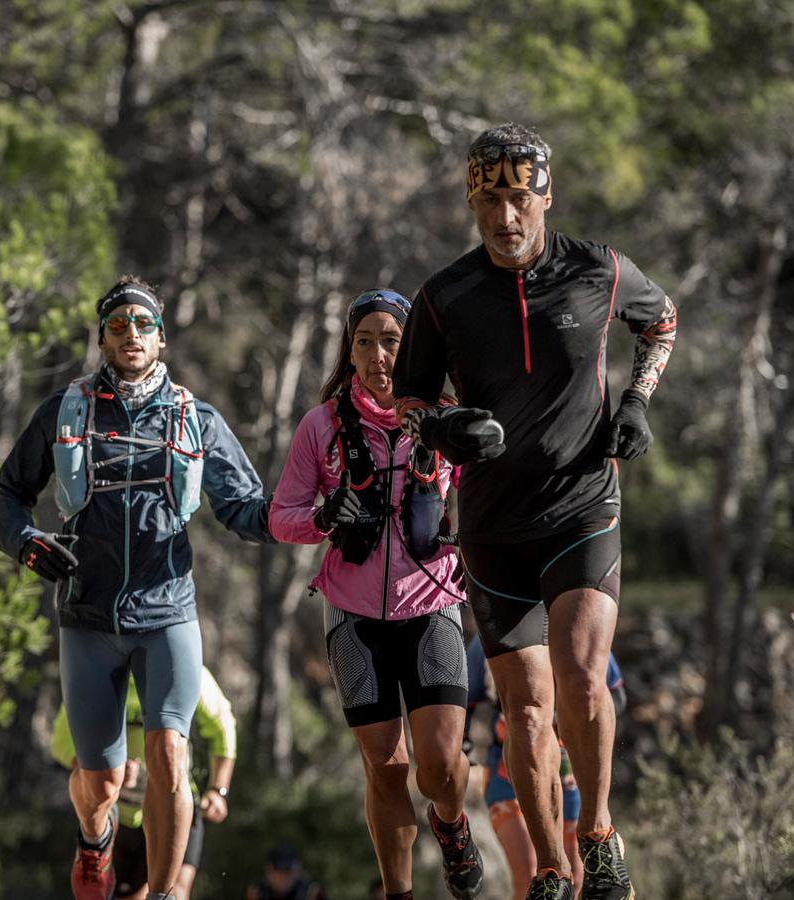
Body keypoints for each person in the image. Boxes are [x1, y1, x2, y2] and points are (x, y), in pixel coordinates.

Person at [392, 122, 677, 900]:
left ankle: (600, 833)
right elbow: (406, 397)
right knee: (524, 710)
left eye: (520, 198)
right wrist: (443, 426)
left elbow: (663, 321)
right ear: (471, 204)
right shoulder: (443, 297)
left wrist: (638, 401)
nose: (505, 218)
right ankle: (553, 867)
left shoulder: (599, 269)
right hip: (492, 528)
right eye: (489, 202)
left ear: (546, 196)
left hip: (582, 507)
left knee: (584, 679)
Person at [0, 275, 273, 900]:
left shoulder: (194, 418)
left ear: (162, 338)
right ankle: (94, 842)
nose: (131, 335)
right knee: (103, 783)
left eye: (143, 325)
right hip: (88, 618)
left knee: (172, 753)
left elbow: (248, 509)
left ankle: (168, 893)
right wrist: (24, 540)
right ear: (102, 338)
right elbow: (9, 494)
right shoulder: (66, 411)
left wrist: (310, 515)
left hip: (167, 613)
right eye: (118, 325)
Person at [270, 289, 482, 900]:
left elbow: (487, 491)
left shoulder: (444, 419)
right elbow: (281, 515)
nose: (378, 354)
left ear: (412, 347)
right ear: (349, 349)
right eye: (364, 341)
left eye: (391, 340)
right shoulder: (321, 425)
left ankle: (451, 822)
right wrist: (324, 514)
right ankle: (399, 892)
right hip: (353, 617)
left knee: (440, 766)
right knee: (385, 769)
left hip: (433, 603)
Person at [50, 664, 238, 900]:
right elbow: (60, 743)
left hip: (174, 804)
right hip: (121, 813)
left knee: (177, 891)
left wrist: (218, 790)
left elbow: (223, 725)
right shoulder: (98, 669)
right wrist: (108, 769)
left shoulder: (182, 664)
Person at [464, 635, 628, 899]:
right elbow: (465, 701)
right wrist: (463, 748)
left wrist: (569, 722)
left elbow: (616, 696)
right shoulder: (488, 636)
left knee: (576, 876)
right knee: (530, 872)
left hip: (569, 775)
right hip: (507, 774)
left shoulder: (578, 623)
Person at [245, 843, 327, 900]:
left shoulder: (311, 893)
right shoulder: (256, 893)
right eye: (279, 872)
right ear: (268, 871)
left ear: (297, 869)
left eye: (288, 872)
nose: (283, 878)